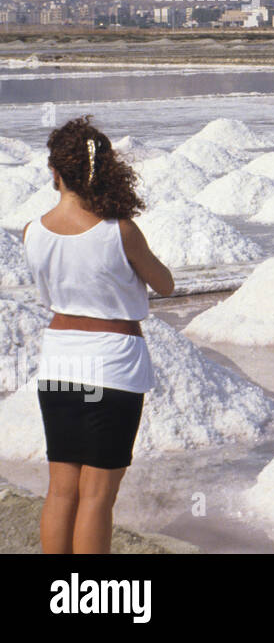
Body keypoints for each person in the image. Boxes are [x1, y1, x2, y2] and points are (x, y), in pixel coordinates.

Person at [22, 116, 173, 554]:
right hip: (112, 363)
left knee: (62, 491)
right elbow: (164, 284)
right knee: (97, 497)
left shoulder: (33, 231)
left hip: (60, 360)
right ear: (103, 170)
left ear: (56, 173)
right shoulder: (119, 230)